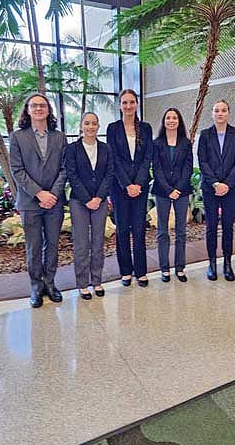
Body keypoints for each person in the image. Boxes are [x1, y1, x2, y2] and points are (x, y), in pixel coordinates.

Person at [10, 93, 67, 308]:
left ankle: (50, 284)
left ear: (48, 110)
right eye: (34, 106)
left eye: (42, 105)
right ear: (27, 110)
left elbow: (64, 168)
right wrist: (39, 193)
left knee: (52, 245)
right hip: (30, 202)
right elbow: (17, 170)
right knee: (33, 247)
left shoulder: (59, 137)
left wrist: (52, 194)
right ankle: (35, 287)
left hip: (54, 201)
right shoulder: (17, 136)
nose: (38, 109)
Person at [106, 89, 153, 287]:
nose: (128, 106)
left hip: (140, 188)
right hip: (120, 187)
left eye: (131, 102)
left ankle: (141, 271)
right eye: (124, 103)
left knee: (140, 228)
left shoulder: (146, 128)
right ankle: (126, 271)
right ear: (120, 105)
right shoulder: (112, 128)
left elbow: (147, 157)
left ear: (137, 104)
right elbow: (113, 159)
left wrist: (138, 183)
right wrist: (127, 184)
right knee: (123, 229)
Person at [65, 112, 113, 300]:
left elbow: (109, 174)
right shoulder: (72, 149)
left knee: (98, 243)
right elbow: (72, 175)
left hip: (100, 201)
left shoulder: (106, 148)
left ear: (98, 126)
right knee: (81, 243)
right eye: (87, 123)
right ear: (81, 126)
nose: (90, 127)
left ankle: (97, 281)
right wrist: (87, 199)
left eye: (94, 123)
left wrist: (99, 197)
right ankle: (82, 283)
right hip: (79, 201)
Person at [198, 100, 235, 282]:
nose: (220, 113)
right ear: (212, 113)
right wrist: (215, 183)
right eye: (216, 110)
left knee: (227, 227)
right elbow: (202, 161)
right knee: (211, 227)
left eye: (223, 110)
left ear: (228, 113)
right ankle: (211, 264)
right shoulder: (205, 134)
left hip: (230, 189)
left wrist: (227, 183)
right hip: (210, 189)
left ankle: (227, 263)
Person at [152, 108, 193, 283]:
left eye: (174, 117)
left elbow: (188, 167)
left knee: (181, 231)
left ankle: (180, 267)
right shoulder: (156, 143)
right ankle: (164, 268)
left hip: (182, 191)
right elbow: (157, 168)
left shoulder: (185, 143)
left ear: (179, 121)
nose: (171, 120)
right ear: (164, 121)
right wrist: (168, 189)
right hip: (162, 191)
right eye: (168, 117)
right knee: (163, 231)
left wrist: (178, 188)